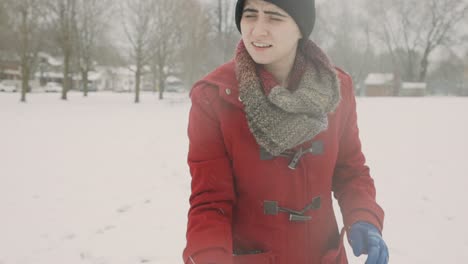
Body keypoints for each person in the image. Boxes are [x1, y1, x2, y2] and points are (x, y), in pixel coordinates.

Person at [183, 0, 389, 263]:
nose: (257, 31)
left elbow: (351, 171)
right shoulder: (213, 97)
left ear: (301, 28)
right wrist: (207, 256)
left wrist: (364, 218)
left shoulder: (337, 89)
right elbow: (210, 201)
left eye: (274, 17)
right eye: (250, 15)